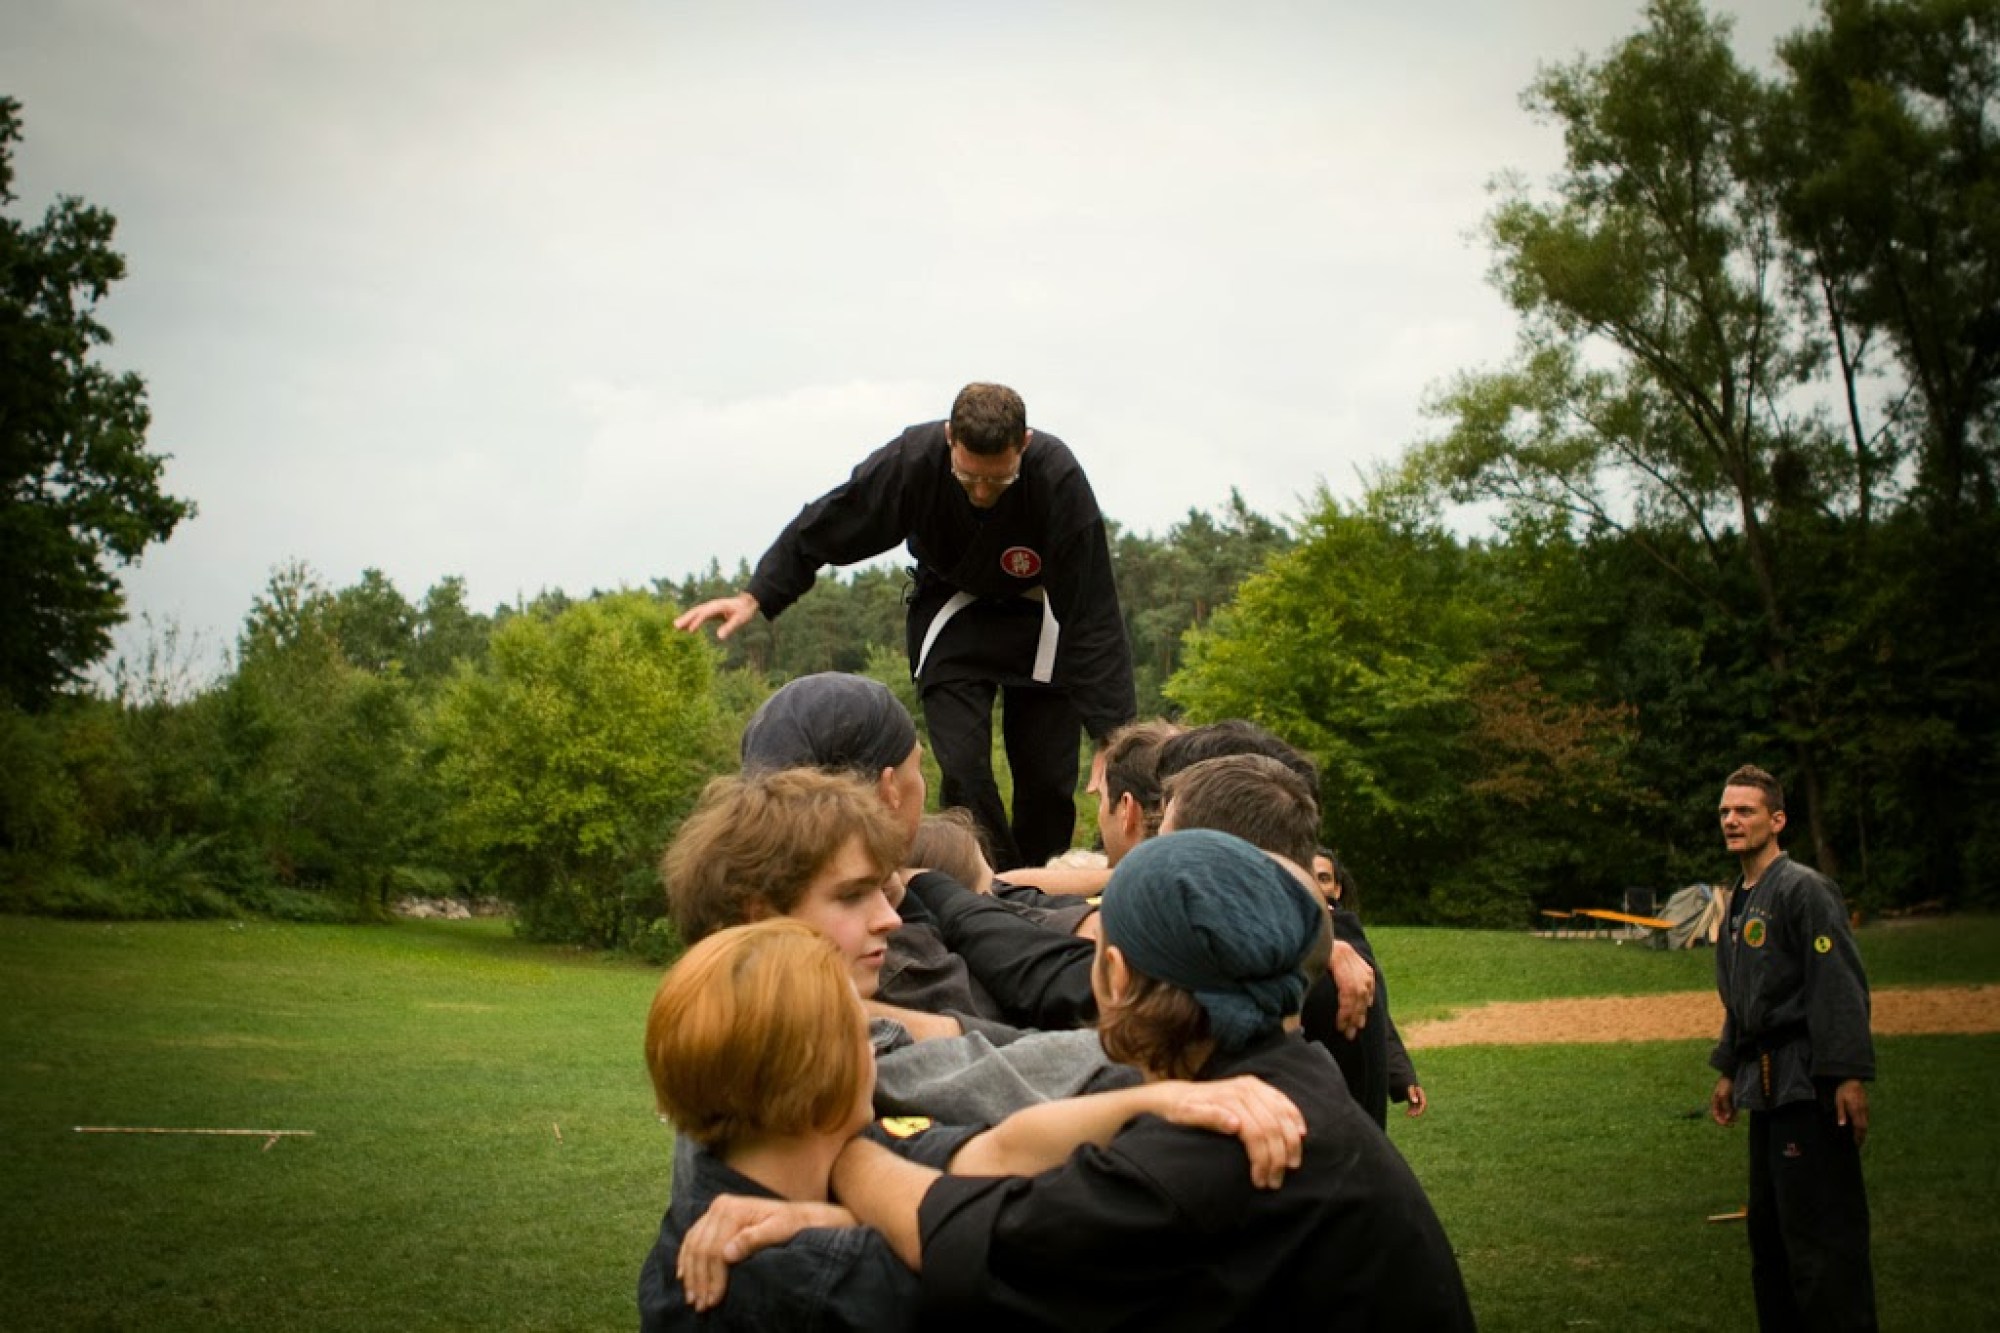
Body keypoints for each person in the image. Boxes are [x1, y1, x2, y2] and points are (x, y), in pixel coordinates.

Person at [818, 831, 1477, 1330]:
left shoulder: (1207, 1154)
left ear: (1114, 976)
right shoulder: (1291, 1073)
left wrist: (841, 1151)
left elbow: (945, 1235)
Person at [639, 917, 1309, 1331]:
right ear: (816, 1076)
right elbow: (1018, 1282)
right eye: (856, 1029)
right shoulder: (808, 1278)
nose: (876, 1043)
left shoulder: (810, 1153)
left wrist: (1152, 1102)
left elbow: (999, 1149)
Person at [673, 382, 1136, 871]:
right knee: (964, 771)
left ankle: (1043, 887)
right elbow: (835, 519)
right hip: (954, 611)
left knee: (1046, 782)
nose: (981, 493)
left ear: (1024, 444)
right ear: (949, 438)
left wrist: (1114, 736)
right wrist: (758, 593)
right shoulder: (913, 461)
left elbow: (1093, 611)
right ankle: (991, 884)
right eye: (968, 477)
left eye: (998, 481)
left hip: (1040, 615)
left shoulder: (1057, 477)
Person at [661, 766, 1131, 1123]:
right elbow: (1060, 1072)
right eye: (851, 896)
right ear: (760, 916)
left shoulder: (713, 1032)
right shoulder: (819, 1063)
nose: (890, 920)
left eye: (884, 894)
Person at [1707, 764, 1877, 1332]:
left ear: (1777, 820)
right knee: (1771, 1237)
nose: (1732, 820)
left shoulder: (1805, 889)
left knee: (1820, 1241)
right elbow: (1741, 999)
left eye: (1745, 810)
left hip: (1808, 1086)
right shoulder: (1737, 900)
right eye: (1725, 811)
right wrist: (1728, 1069)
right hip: (1763, 1089)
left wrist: (1847, 1075)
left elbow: (1839, 985)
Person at [1313, 847, 1426, 1123]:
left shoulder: (1346, 929)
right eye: (1307, 875)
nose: (1315, 884)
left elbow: (1374, 1005)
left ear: (1337, 889)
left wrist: (1401, 1074)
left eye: (1323, 878)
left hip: (1351, 1083)